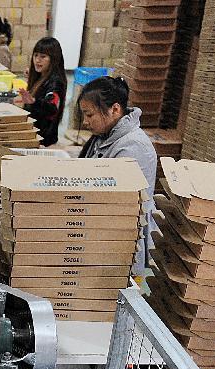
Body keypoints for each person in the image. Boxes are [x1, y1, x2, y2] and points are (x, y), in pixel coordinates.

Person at [77, 76, 158, 274]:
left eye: (89, 115)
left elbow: (116, 204)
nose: (85, 122)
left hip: (120, 240)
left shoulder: (132, 147)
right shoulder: (105, 136)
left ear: (115, 109)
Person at [18, 37, 66, 146]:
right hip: (34, 134)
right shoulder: (41, 77)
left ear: (53, 59)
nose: (37, 60)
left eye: (43, 57)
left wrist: (34, 101)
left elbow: (52, 107)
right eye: (35, 55)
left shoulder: (56, 82)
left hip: (43, 140)